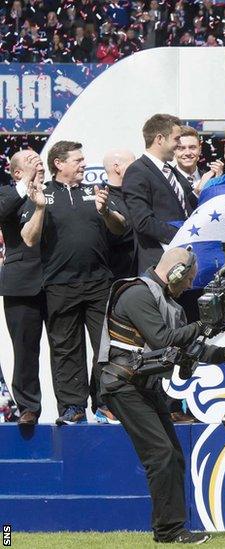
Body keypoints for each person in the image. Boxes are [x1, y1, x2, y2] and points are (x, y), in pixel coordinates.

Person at [98, 247, 225, 544]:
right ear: (175, 272)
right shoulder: (137, 294)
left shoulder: (168, 303)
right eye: (189, 278)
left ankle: (171, 529)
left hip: (144, 387)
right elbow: (163, 340)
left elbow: (189, 351)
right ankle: (170, 531)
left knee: (174, 457)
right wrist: (206, 323)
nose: (191, 286)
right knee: (161, 455)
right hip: (123, 385)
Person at [20, 141, 126, 425]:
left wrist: (106, 212)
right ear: (59, 163)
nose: (83, 164)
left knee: (107, 347)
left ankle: (104, 404)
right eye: (78, 160)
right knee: (66, 349)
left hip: (99, 283)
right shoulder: (42, 194)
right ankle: (72, 407)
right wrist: (40, 208)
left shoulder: (94, 191)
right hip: (59, 284)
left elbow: (120, 227)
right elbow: (28, 238)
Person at [1, 149, 46, 425]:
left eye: (39, 160)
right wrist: (24, 185)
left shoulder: (54, 193)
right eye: (30, 161)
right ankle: (28, 406)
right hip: (21, 283)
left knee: (66, 347)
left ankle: (71, 405)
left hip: (58, 280)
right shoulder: (8, 194)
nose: (38, 162)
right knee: (25, 348)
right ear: (17, 172)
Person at [123, 114, 198, 272]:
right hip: (160, 265)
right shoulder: (137, 171)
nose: (178, 145)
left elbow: (187, 206)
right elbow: (143, 222)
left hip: (183, 260)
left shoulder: (171, 171)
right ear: (160, 139)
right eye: (176, 139)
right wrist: (183, 235)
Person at [103, 149, 138, 280]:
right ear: (116, 168)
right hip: (119, 275)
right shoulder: (102, 198)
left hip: (144, 271)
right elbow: (116, 234)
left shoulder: (138, 193)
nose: (138, 168)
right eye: (133, 164)